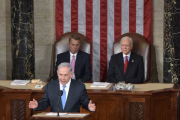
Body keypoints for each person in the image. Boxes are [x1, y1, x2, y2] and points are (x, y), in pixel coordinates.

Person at [29, 62, 96, 112]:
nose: (62, 78)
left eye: (65, 75)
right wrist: (37, 105)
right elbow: (45, 102)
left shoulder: (79, 87)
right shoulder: (50, 86)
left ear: (71, 74)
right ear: (57, 73)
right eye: (60, 75)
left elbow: (85, 102)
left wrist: (89, 107)